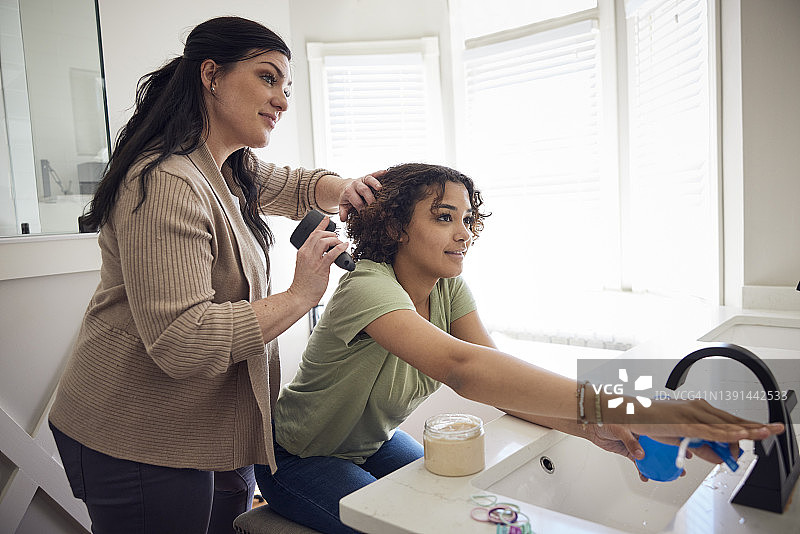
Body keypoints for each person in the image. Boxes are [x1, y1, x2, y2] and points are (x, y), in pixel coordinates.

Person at [254, 162, 785, 534]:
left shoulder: (448, 289)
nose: (464, 233)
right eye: (444, 217)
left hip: (371, 443)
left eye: (467, 219)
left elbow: (499, 384)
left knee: (460, 506)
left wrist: (595, 431)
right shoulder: (367, 286)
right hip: (297, 457)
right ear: (395, 227)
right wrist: (637, 408)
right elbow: (464, 368)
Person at [48, 16, 382, 534]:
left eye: (287, 87)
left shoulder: (225, 166)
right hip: (137, 430)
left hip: (213, 422)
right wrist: (300, 295)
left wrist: (346, 189)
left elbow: (293, 186)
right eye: (268, 78)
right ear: (211, 75)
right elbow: (184, 340)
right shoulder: (166, 181)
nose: (282, 101)